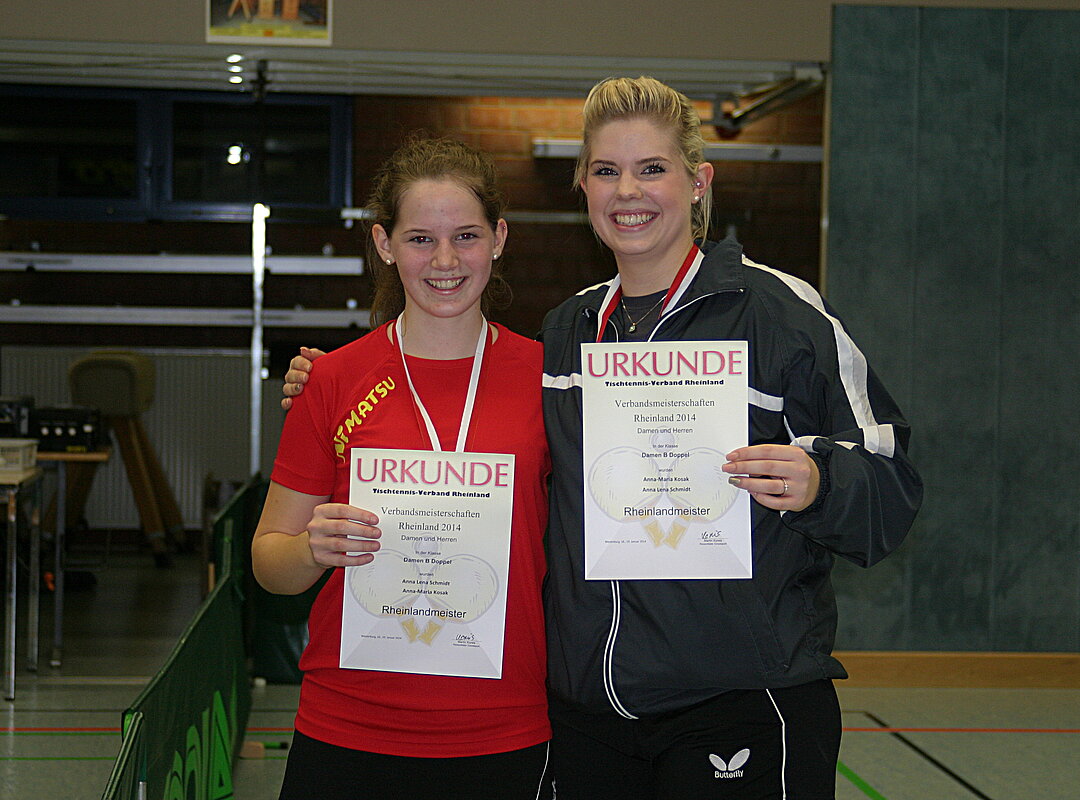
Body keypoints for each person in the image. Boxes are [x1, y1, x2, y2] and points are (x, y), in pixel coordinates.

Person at [284, 77, 922, 800]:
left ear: (698, 183)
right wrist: (330, 379)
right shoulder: (568, 333)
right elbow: (465, 396)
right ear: (582, 185)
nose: (628, 192)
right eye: (607, 170)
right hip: (590, 718)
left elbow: (892, 482)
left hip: (738, 701)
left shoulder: (779, 313)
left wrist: (819, 481)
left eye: (652, 168)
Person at [255, 136, 552, 800]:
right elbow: (269, 564)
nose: (445, 261)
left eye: (466, 236)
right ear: (384, 244)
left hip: (505, 727)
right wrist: (311, 548)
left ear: (499, 238)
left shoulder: (550, 379)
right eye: (420, 239)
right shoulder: (332, 380)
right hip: (348, 726)